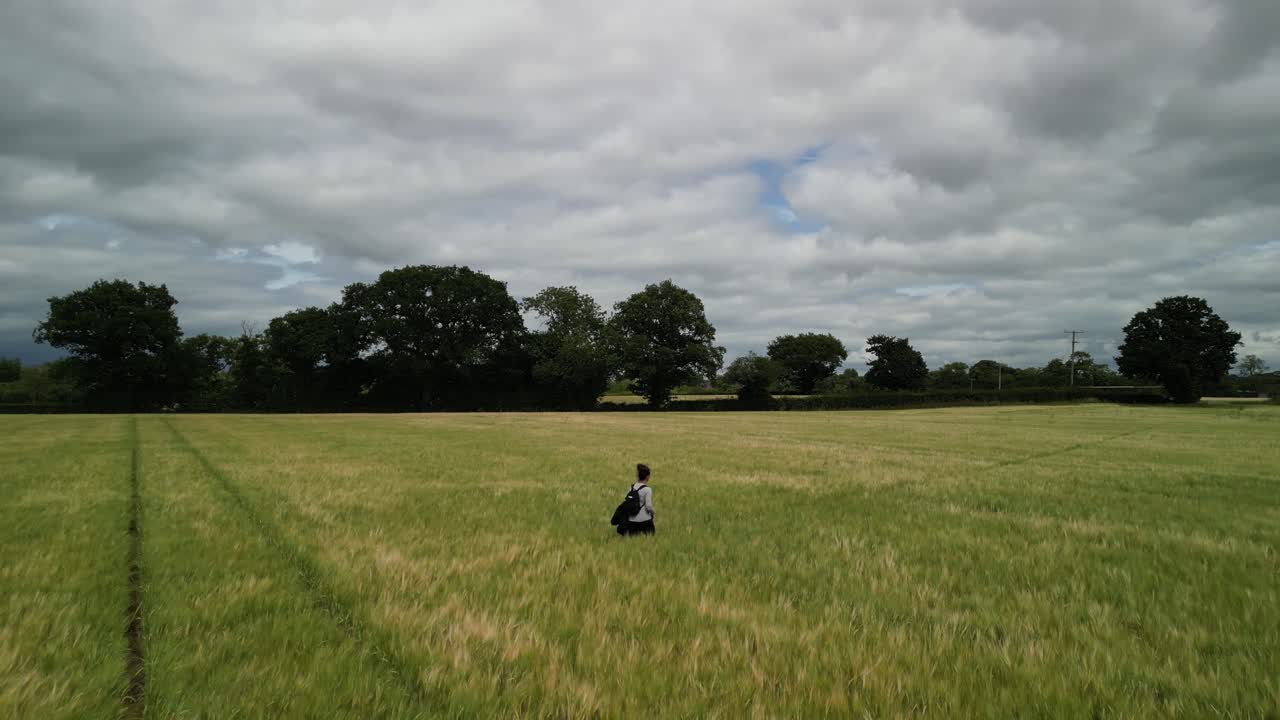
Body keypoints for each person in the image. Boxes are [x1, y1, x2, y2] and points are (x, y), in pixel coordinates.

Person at [618, 463, 655, 536]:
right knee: (651, 537)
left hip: (631, 521)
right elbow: (648, 506)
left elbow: (627, 502)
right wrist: (653, 513)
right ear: (647, 477)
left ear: (638, 476)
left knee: (632, 539)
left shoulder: (631, 487)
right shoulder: (647, 490)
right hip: (645, 521)